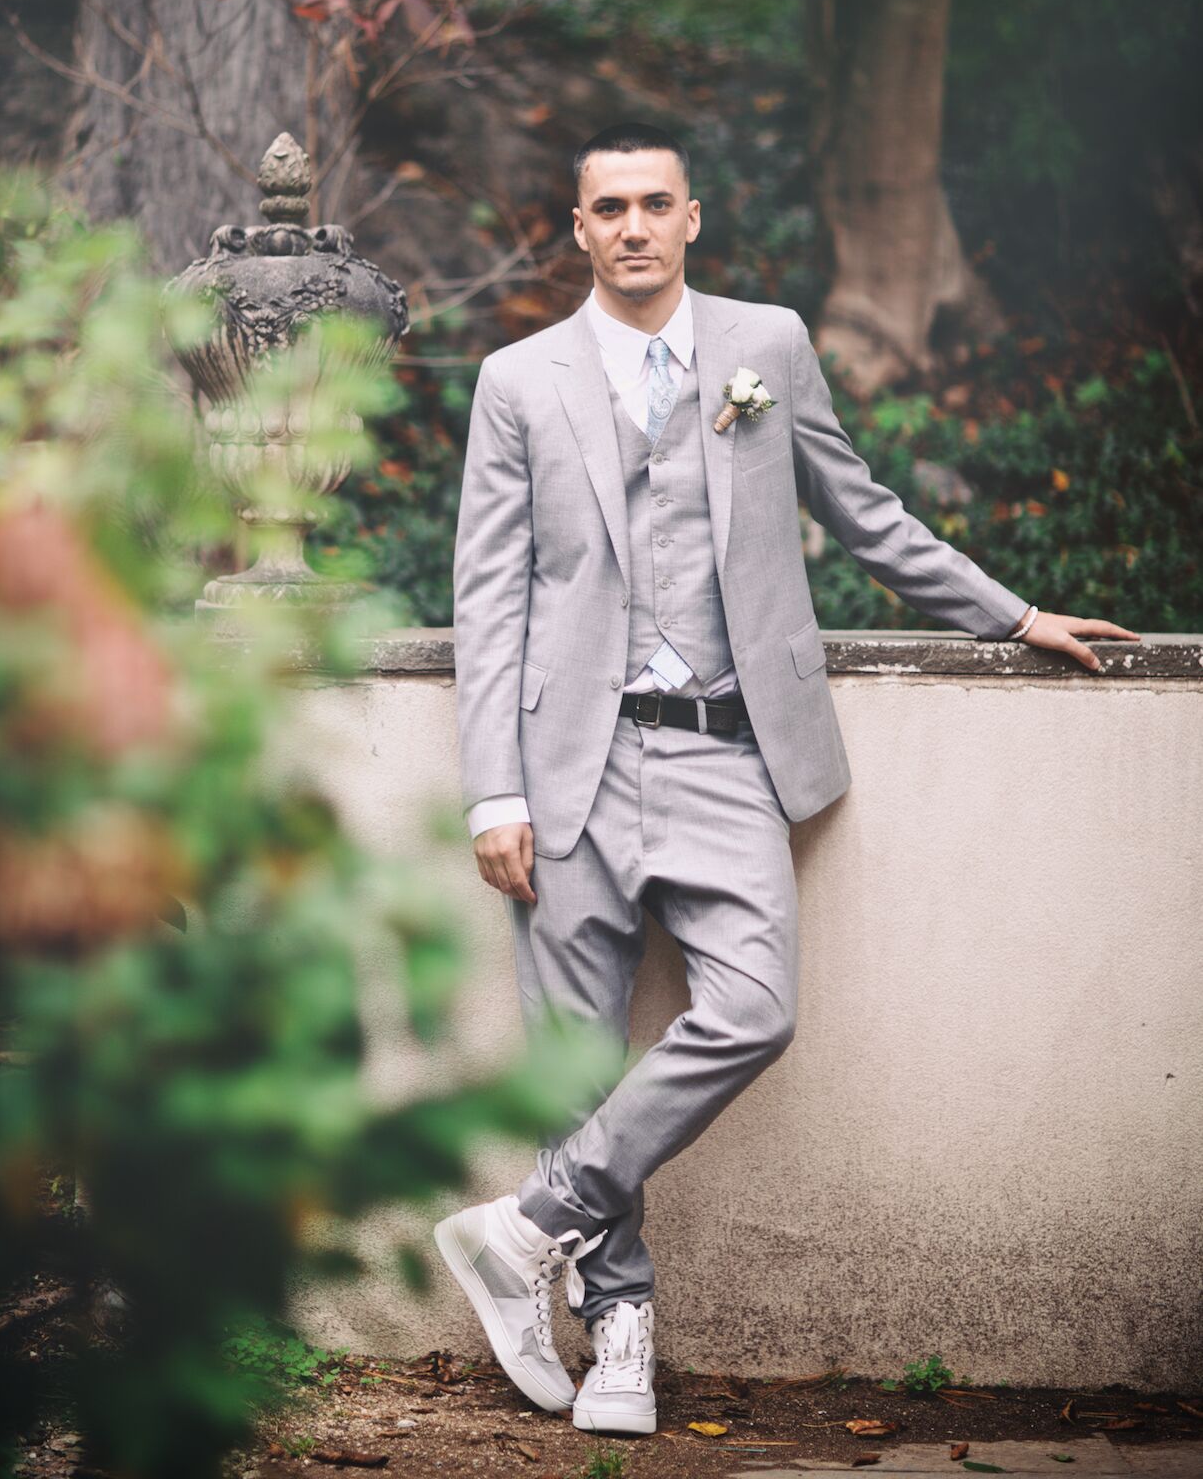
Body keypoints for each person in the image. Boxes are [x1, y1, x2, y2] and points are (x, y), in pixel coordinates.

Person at [433, 123, 1138, 1437]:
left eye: (654, 203)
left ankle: (523, 1230)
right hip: (566, 765)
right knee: (576, 1068)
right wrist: (493, 793)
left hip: (722, 749)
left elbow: (861, 511)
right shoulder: (516, 382)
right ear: (575, 228)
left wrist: (1011, 612)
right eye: (609, 208)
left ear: (691, 218)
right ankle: (624, 1334)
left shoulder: (765, 346)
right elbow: (488, 597)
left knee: (753, 1007)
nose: (633, 225)